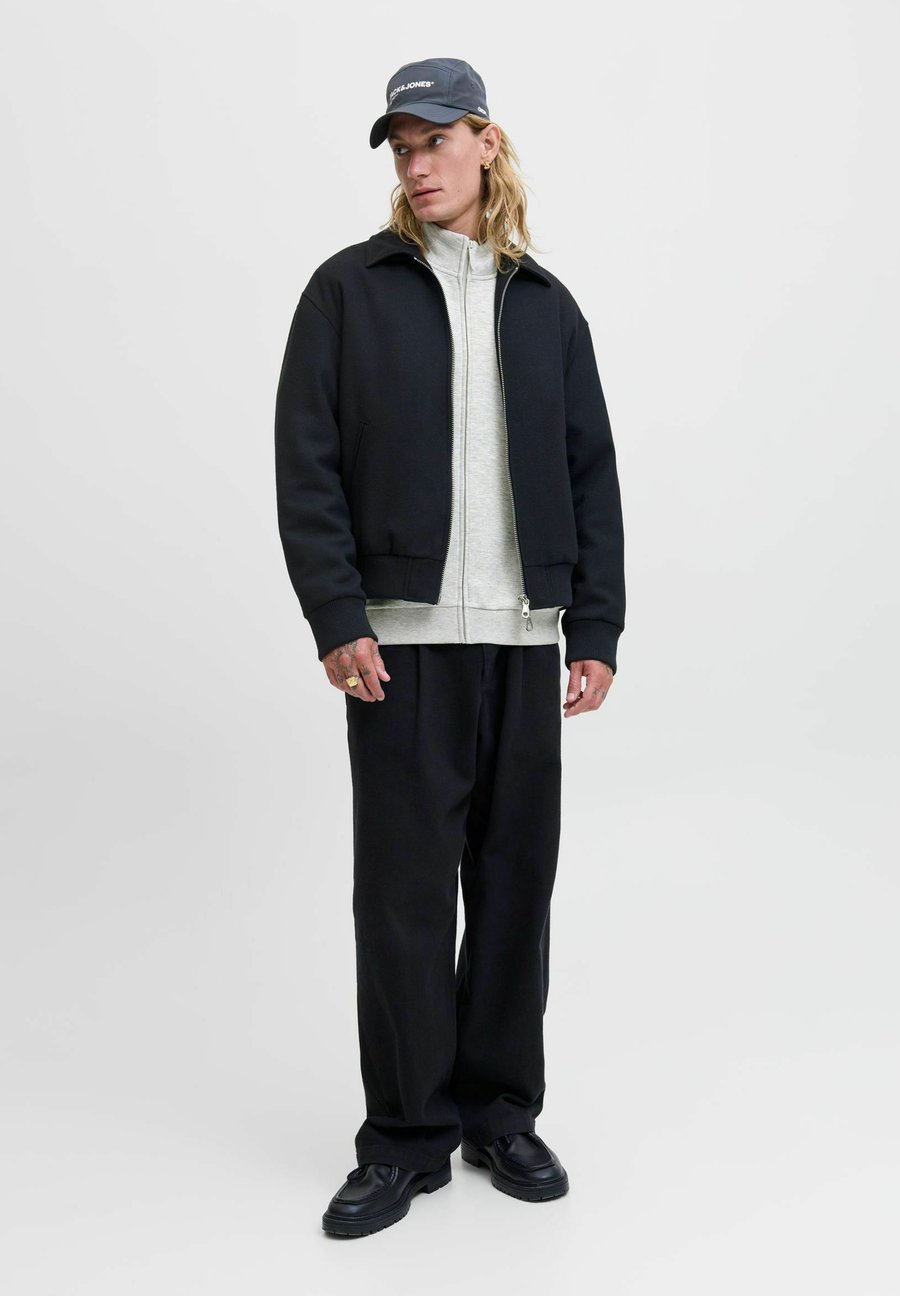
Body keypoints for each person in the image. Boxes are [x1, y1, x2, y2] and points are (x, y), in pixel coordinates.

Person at [274, 57, 626, 1238]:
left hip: (523, 642)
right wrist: (338, 616)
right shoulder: (349, 291)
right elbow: (307, 462)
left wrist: (595, 624)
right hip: (401, 647)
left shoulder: (545, 305)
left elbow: (590, 469)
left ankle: (500, 1115)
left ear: (486, 142)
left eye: (436, 140)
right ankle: (406, 1137)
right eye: (402, 146)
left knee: (516, 890)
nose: (417, 164)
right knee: (405, 902)